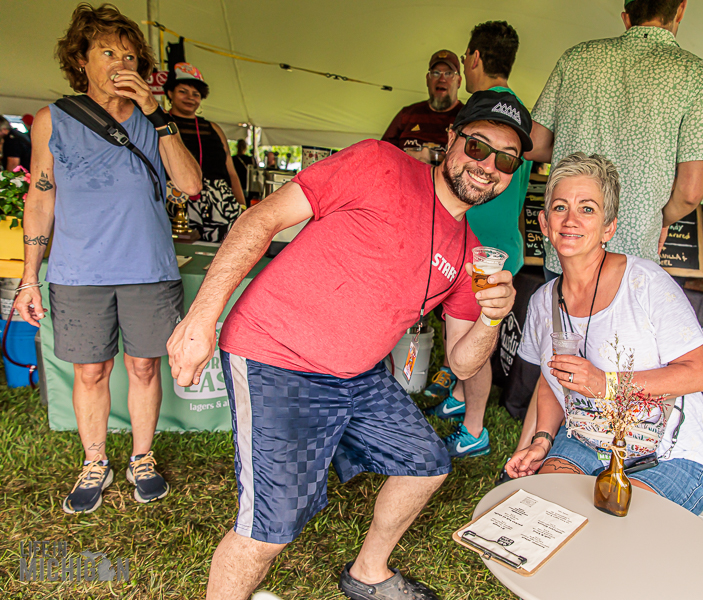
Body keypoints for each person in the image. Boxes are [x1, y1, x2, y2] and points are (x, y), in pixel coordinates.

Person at [166, 90, 531, 600]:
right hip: (277, 356)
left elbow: (462, 362)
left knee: (427, 462)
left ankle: (368, 572)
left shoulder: (470, 252)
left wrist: (492, 316)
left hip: (357, 375)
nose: (488, 165)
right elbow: (261, 218)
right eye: (478, 146)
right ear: (451, 139)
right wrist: (201, 318)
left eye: (506, 159)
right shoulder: (379, 163)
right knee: (270, 528)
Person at [13, 3, 201, 515]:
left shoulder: (155, 120)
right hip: (78, 272)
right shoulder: (53, 119)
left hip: (149, 268)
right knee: (91, 371)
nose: (121, 64)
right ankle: (95, 461)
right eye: (107, 53)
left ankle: (142, 456)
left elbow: (190, 185)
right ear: (81, 60)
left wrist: (158, 114)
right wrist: (29, 277)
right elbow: (41, 198)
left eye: (130, 56)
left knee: (143, 366)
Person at [505, 152, 703, 515]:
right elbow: (551, 380)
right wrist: (541, 440)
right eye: (560, 207)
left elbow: (699, 373)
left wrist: (605, 383)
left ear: (609, 228)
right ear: (544, 222)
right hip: (586, 440)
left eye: (587, 209)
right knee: (544, 510)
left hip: (667, 452)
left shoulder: (646, 283)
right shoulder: (543, 300)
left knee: (619, 526)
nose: (570, 219)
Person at [528, 0, 703, 273]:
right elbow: (690, 193)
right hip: (632, 259)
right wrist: (659, 221)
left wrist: (576, 141)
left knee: (557, 302)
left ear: (626, 18)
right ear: (680, 9)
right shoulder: (699, 76)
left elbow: (534, 146)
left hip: (569, 249)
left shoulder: (576, 58)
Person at [425, 21, 531, 460]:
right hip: (499, 245)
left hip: (481, 251)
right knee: (461, 330)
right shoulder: (521, 120)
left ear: (473, 58)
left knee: (476, 344)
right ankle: (460, 398)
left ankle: (474, 429)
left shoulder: (482, 113)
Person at [163, 62, 246, 242]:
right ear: (170, 93)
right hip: (176, 199)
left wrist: (242, 206)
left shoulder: (213, 128)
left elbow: (231, 173)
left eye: (196, 94)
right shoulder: (161, 125)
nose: (190, 98)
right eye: (183, 91)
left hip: (220, 203)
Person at [381, 50, 463, 164]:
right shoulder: (407, 115)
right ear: (427, 79)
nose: (442, 79)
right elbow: (382, 153)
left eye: (449, 73)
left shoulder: (466, 118)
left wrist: (434, 157)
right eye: (436, 73)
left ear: (459, 81)